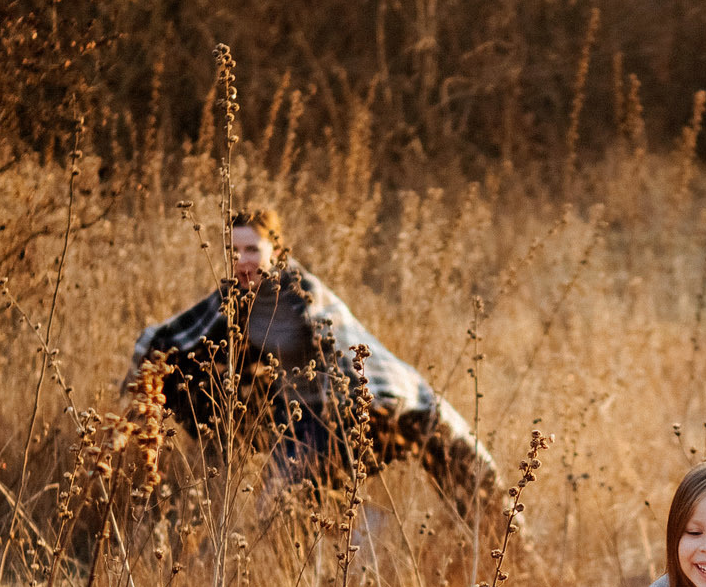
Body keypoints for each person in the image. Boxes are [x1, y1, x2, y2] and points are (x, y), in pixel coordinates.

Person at [126, 206, 501, 522]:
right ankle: (364, 542)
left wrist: (356, 404)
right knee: (287, 509)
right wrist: (143, 387)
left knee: (280, 502)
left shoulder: (299, 290)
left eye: (253, 249)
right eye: (234, 251)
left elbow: (342, 344)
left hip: (350, 407)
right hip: (303, 414)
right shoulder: (234, 297)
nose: (242, 260)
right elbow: (171, 338)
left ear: (276, 250)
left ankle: (379, 535)